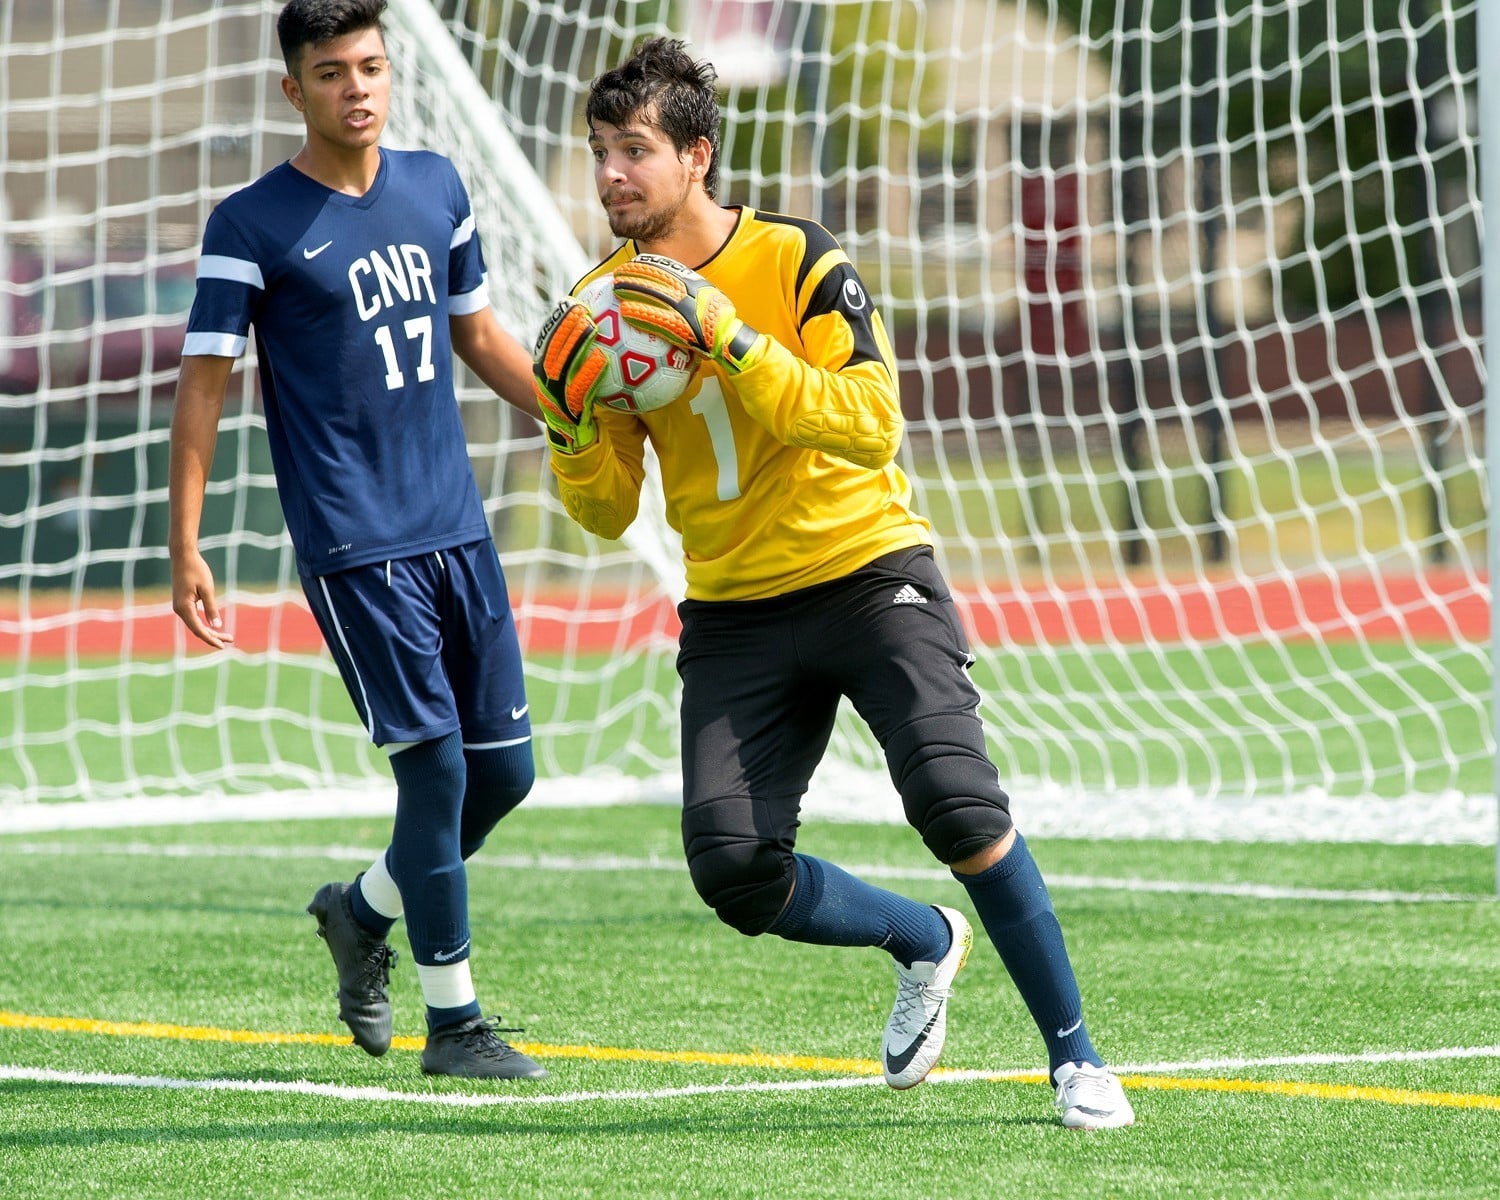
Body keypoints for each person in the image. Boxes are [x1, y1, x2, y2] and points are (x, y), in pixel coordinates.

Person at [531, 37, 1133, 1128]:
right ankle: (922, 939)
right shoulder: (597, 309)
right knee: (733, 872)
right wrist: (572, 425)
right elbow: (609, 510)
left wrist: (733, 340)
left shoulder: (799, 257)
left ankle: (1078, 1058)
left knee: (957, 803)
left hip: (866, 574)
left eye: (634, 151)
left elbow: (869, 423)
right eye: (599, 152)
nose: (611, 174)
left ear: (697, 157)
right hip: (734, 611)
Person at [169, 0, 546, 1081]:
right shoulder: (251, 223)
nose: (358, 87)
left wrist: (573, 413)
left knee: (504, 775)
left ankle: (361, 910)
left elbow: (477, 333)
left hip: (456, 528)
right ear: (296, 91)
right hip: (355, 539)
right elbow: (203, 387)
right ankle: (457, 1024)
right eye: (331, 72)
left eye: (371, 65)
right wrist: (183, 544)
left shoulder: (438, 188)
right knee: (431, 770)